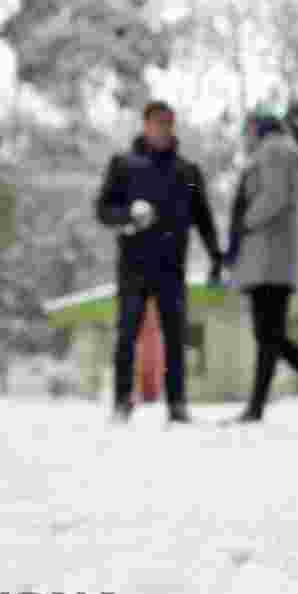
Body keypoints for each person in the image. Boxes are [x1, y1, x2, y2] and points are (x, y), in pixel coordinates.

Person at [95, 100, 223, 424]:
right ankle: (123, 401)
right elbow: (103, 210)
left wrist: (216, 258)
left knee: (175, 336)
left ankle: (177, 403)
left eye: (168, 123)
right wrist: (128, 216)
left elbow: (204, 218)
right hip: (133, 267)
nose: (163, 129)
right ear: (145, 125)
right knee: (127, 334)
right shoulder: (123, 165)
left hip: (171, 267)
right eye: (157, 123)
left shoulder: (187, 171)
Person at [222, 110, 298, 424]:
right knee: (269, 334)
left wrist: (244, 223)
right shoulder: (276, 151)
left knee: (269, 334)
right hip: (270, 257)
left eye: (247, 129)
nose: (245, 136)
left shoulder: (273, 150)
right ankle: (269, 404)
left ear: (258, 128)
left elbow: (274, 196)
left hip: (268, 257)